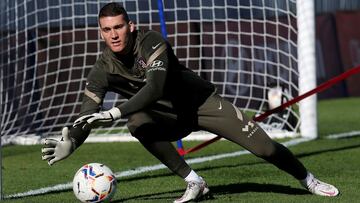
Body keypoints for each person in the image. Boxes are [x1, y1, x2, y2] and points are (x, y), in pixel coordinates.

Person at [41, 2, 339, 202]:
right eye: (107, 30)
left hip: (201, 105)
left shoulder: (152, 42)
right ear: (101, 32)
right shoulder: (101, 69)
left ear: (130, 26)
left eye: (118, 27)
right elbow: (88, 114)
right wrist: (74, 141)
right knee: (138, 123)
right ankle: (195, 181)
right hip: (168, 118)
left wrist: (115, 112)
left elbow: (154, 88)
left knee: (265, 147)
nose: (113, 34)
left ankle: (308, 180)